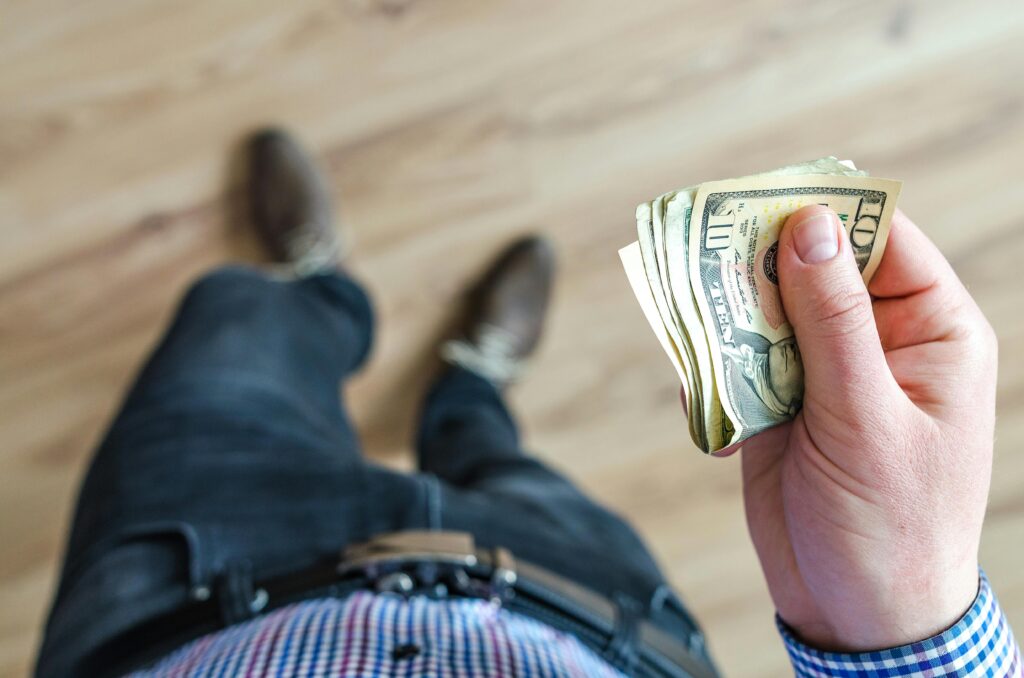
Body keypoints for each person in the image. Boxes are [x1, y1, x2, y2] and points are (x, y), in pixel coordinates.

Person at [34, 129, 1020, 677]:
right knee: (496, 456)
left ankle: (317, 290)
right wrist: (902, 619)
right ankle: (466, 384)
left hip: (182, 595)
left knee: (230, 317)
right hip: (588, 604)